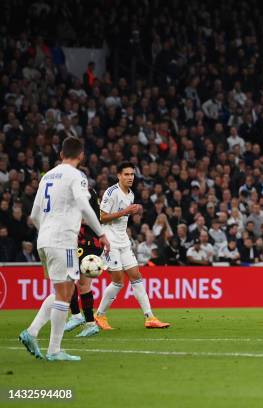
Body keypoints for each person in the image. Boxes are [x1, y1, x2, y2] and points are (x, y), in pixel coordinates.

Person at [19, 137, 110, 361]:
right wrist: (101, 233)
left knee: (63, 292)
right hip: (63, 241)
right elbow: (84, 206)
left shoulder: (47, 176)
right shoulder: (76, 176)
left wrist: (46, 233)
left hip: (45, 240)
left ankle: (32, 332)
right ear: (81, 156)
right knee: (64, 294)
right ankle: (54, 350)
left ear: (61, 154)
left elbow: (33, 215)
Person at [94, 162, 170, 330]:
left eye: (132, 174)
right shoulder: (111, 192)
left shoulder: (131, 194)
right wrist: (125, 212)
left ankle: (150, 317)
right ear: (119, 176)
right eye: (126, 174)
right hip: (110, 241)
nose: (130, 177)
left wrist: (134, 211)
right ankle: (99, 315)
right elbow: (101, 217)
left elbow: (125, 215)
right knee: (118, 281)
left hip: (123, 240)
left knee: (136, 275)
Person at [64, 188, 104, 337]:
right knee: (68, 279)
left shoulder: (85, 192)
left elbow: (90, 217)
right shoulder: (79, 191)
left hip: (88, 241)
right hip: (74, 241)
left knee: (83, 284)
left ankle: (90, 323)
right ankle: (76, 316)